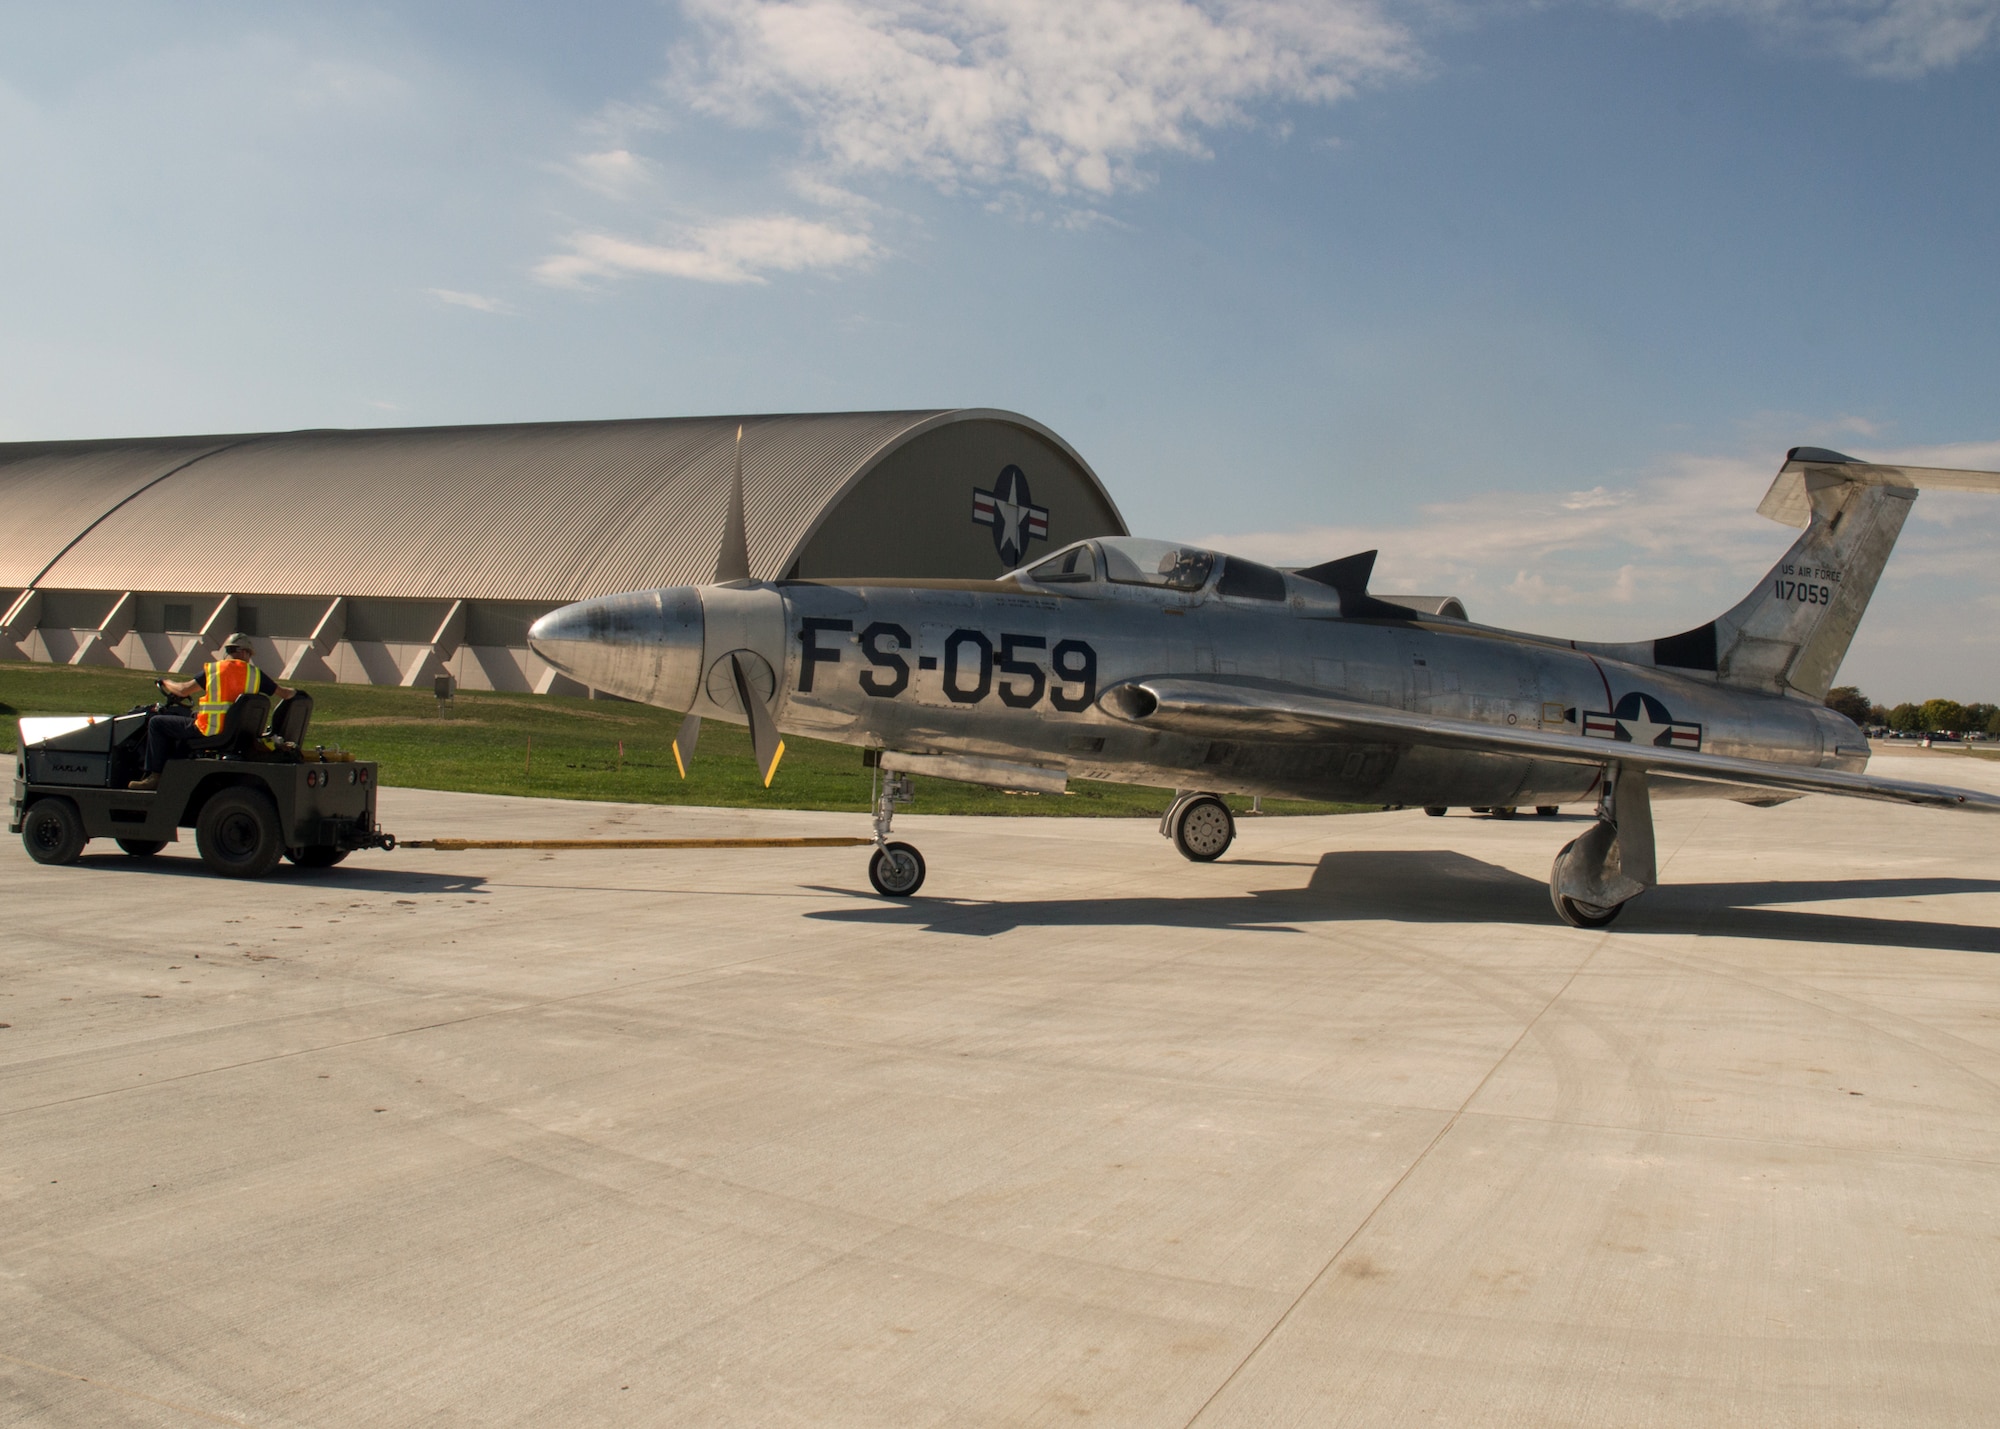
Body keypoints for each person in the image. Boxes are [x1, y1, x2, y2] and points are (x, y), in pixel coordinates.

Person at [129, 635, 294, 790]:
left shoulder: (215, 670)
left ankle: (155, 776)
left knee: (156, 723)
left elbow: (183, 690)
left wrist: (165, 682)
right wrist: (299, 694)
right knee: (189, 717)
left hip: (209, 729)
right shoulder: (255, 674)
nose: (249, 658)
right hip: (236, 732)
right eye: (249, 655)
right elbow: (285, 693)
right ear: (243, 652)